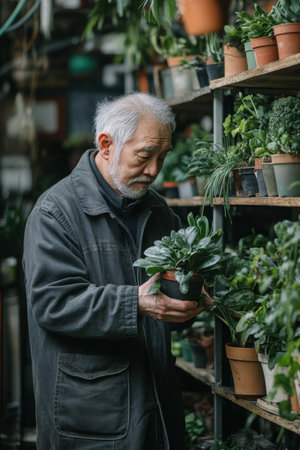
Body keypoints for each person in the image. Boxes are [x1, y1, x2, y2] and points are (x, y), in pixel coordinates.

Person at [23, 93, 207, 450]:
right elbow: (53, 302)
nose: (154, 169)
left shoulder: (158, 211)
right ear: (106, 145)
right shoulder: (55, 213)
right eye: (145, 155)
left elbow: (167, 297)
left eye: (162, 157)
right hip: (91, 418)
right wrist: (135, 303)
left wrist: (189, 301)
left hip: (156, 404)